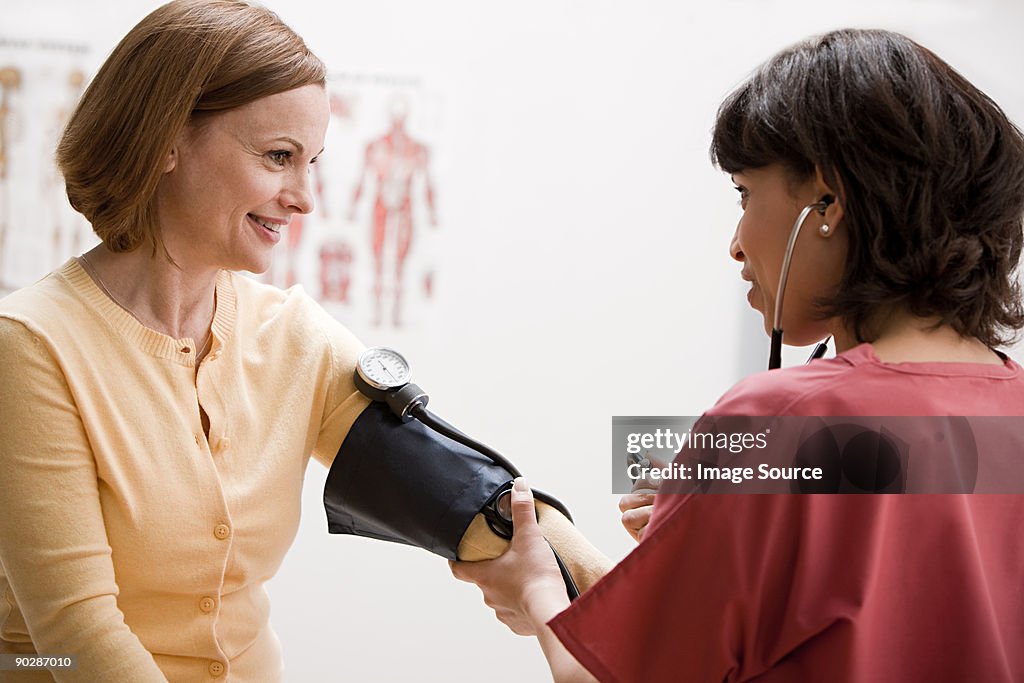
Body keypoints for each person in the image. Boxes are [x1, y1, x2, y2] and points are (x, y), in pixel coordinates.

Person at [0, 2, 609, 681]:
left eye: (312, 160)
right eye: (279, 157)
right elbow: (76, 632)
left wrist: (628, 598)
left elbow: (461, 490)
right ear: (166, 140)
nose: (305, 198)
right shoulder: (33, 345)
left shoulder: (288, 334)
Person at [451, 28, 1024, 682]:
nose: (735, 243)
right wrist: (720, 535)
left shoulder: (776, 423)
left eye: (745, 194)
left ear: (828, 202)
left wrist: (536, 586)